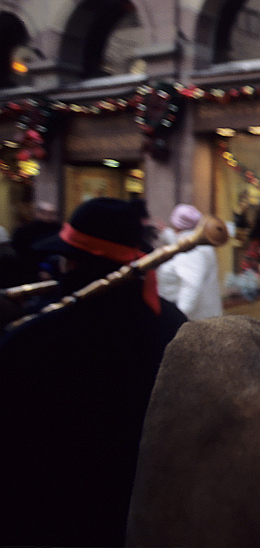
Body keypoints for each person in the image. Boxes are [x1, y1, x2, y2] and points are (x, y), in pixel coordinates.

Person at [0, 197, 187, 547]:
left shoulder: (32, 341)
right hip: (150, 511)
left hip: (54, 516)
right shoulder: (175, 325)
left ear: (71, 262)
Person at [156, 204, 224, 320]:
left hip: (193, 322)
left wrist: (177, 318)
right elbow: (180, 241)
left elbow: (191, 286)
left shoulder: (191, 250)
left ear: (177, 226)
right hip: (206, 316)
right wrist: (165, 232)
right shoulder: (198, 242)